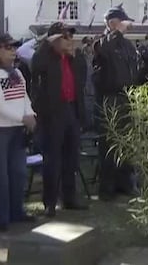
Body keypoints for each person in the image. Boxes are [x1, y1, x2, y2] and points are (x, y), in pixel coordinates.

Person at [0, 34, 38, 231]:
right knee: (0, 176)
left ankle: (17, 211)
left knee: (18, 172)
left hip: (17, 129)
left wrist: (30, 115)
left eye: (15, 48)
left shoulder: (17, 74)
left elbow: (24, 98)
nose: (13, 52)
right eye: (8, 48)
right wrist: (22, 118)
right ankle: (1, 217)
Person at [31, 22, 89, 217]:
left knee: (71, 157)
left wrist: (73, 56)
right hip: (52, 113)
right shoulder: (45, 57)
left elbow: (82, 76)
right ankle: (50, 201)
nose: (70, 40)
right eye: (65, 37)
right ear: (54, 40)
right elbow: (36, 69)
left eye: (70, 37)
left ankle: (69, 197)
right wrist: (49, 46)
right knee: (53, 159)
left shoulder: (74, 58)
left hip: (71, 109)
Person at [92, 5, 142, 200]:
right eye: (123, 22)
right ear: (113, 23)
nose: (127, 26)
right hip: (109, 98)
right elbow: (103, 51)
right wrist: (116, 32)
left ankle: (124, 183)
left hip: (126, 97)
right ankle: (107, 187)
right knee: (109, 143)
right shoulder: (102, 42)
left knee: (126, 142)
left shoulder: (127, 46)